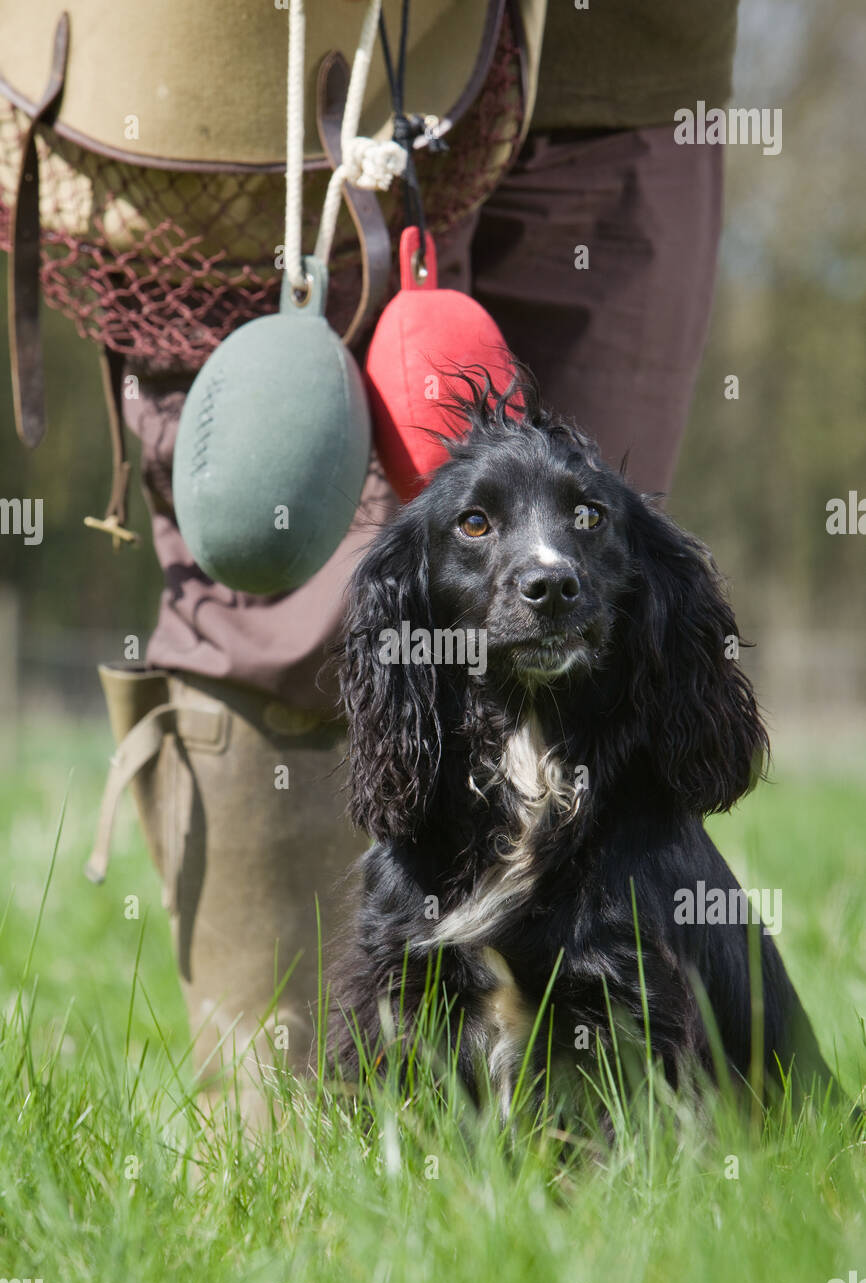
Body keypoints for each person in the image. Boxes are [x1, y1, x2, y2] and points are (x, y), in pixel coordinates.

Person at [0, 0, 739, 1118]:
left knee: (587, 551)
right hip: (268, 53)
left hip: (615, 58)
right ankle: (281, 1141)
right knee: (283, 591)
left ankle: (603, 1164)